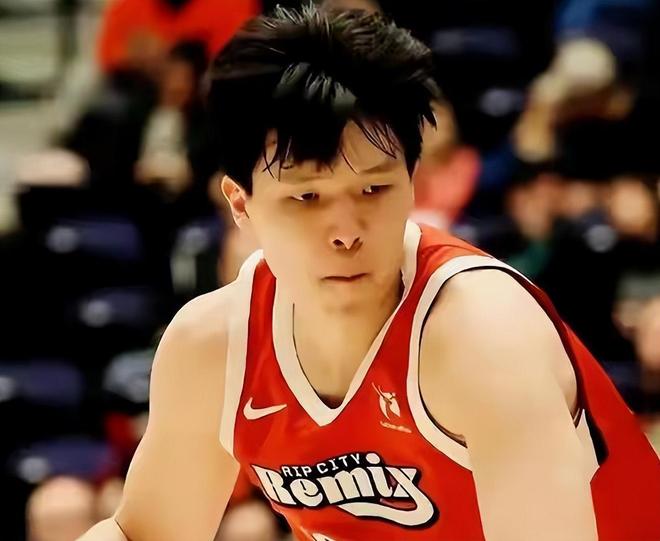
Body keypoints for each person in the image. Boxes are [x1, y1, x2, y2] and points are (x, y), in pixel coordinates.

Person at [78, 6, 660, 541]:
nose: (346, 231)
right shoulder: (213, 346)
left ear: (413, 181)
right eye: (307, 197)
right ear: (241, 204)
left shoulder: (483, 337)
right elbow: (143, 534)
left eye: (374, 189)